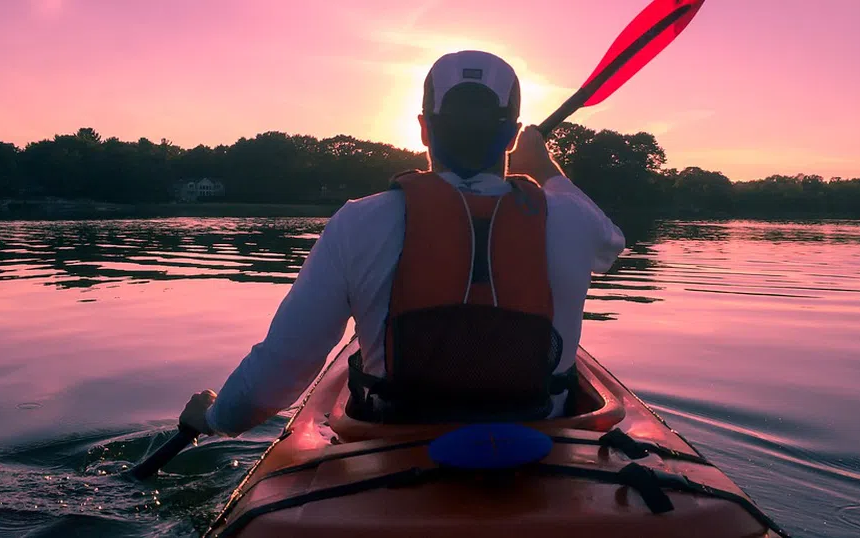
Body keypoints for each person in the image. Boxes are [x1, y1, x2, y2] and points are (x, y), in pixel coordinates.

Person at [179, 50, 626, 436]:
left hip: (394, 443)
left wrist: (214, 418)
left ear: (424, 129)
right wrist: (544, 165)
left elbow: (275, 377)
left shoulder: (359, 222)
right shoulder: (572, 219)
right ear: (511, 135)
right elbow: (612, 243)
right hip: (542, 443)